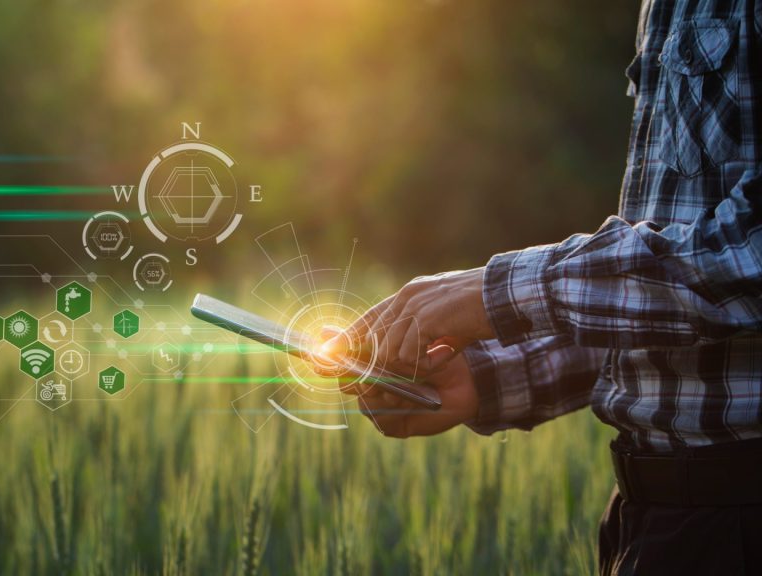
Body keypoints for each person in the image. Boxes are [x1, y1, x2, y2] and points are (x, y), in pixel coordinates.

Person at [321, 2, 762, 574]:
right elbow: (673, 300)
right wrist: (490, 376)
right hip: (652, 520)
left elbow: (748, 253)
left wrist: (497, 293)